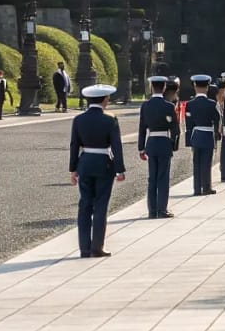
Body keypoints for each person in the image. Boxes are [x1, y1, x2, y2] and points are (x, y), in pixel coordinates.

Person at [68, 84, 125, 258]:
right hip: (103, 163)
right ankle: (97, 246)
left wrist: (73, 169)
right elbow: (116, 146)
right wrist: (119, 169)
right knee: (100, 205)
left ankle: (84, 248)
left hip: (84, 162)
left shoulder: (78, 119)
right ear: (105, 100)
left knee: (85, 204)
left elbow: (74, 145)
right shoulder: (110, 119)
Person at [138, 76, 176, 219]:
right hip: (164, 142)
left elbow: (142, 128)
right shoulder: (169, 106)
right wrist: (173, 145)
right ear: (164, 87)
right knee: (163, 177)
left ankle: (152, 210)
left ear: (152, 87)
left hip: (151, 142)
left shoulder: (145, 106)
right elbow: (175, 129)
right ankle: (162, 209)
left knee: (152, 177)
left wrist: (141, 148)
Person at [185, 75, 219, 196]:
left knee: (196, 162)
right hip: (208, 134)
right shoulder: (212, 103)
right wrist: (217, 135)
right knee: (206, 162)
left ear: (195, 87)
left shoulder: (190, 104)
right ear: (207, 87)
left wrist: (189, 141)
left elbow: (188, 124)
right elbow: (217, 119)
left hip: (196, 135)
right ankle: (206, 187)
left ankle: (196, 188)